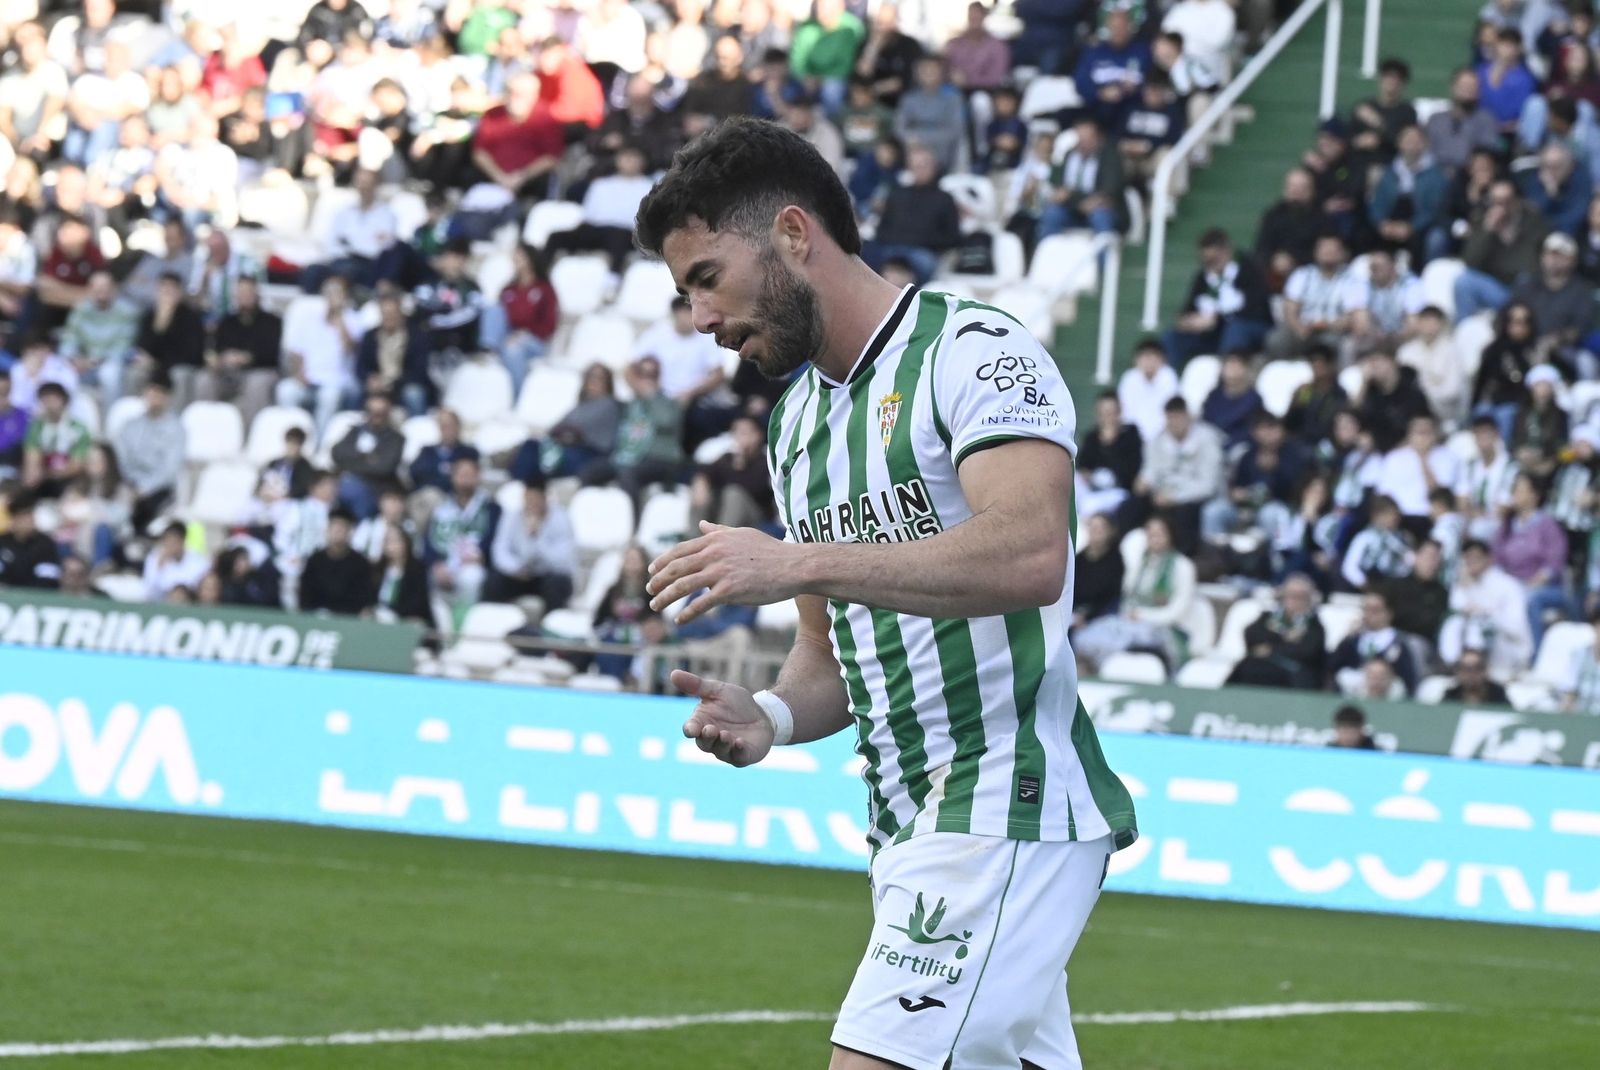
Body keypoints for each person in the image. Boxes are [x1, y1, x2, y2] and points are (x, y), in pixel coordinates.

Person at [632, 116, 1136, 1070]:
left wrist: (796, 561)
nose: (701, 319)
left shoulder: (975, 352)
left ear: (791, 234)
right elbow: (830, 659)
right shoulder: (794, 428)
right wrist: (772, 715)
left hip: (1003, 795)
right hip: (905, 819)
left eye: (705, 279)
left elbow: (1032, 556)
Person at [1073, 513, 1197, 671]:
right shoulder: (1139, 562)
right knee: (1088, 636)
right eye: (1151, 533)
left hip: (1164, 626)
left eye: (1160, 533)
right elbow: (1127, 597)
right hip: (1131, 620)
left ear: (1171, 535)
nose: (1155, 538)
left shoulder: (1182, 566)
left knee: (1122, 642)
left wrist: (1143, 616)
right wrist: (1130, 615)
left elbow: (1178, 611)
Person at [1163, 229, 1272, 368]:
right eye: (1206, 261)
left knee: (1235, 329)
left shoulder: (1249, 269)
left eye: (1214, 259)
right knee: (1171, 337)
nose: (1210, 264)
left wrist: (1216, 320)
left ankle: (1227, 379)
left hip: (1250, 328)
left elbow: (1255, 309)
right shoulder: (1203, 277)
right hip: (1212, 333)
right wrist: (1187, 321)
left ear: (1227, 252)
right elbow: (1188, 308)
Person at [1133, 396, 1225, 555]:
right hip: (1162, 495)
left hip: (1194, 499)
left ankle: (1184, 557)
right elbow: (1151, 469)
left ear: (1187, 416)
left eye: (1178, 417)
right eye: (1170, 418)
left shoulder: (1207, 439)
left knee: (1184, 514)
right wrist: (1144, 481)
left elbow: (1208, 485)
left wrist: (1175, 497)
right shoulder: (1158, 440)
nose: (1174, 423)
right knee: (1132, 505)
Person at [860, 144, 961, 284]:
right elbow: (882, 228)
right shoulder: (896, 193)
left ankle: (896, 289)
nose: (920, 170)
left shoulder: (944, 199)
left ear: (934, 166)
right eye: (916, 166)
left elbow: (952, 237)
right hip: (891, 249)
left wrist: (922, 239)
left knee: (911, 266)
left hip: (922, 252)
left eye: (924, 165)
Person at [1494, 470, 1572, 646]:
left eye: (1521, 490)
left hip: (1544, 587)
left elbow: (1555, 562)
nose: (1515, 494)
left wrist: (1531, 584)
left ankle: (1535, 656)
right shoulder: (1506, 525)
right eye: (1515, 489)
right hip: (1511, 586)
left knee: (1530, 600)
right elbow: (1497, 558)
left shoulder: (1548, 525)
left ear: (1535, 495)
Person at [1440, 538, 1533, 681]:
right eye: (1467, 558)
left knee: (1479, 626)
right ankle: (1455, 668)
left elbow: (1517, 628)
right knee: (1454, 623)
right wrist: (1464, 587)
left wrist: (1488, 614)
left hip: (1508, 648)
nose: (1471, 562)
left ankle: (1475, 672)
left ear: (1488, 559)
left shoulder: (1508, 585)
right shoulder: (1464, 583)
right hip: (1470, 647)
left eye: (1476, 557)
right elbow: (1457, 609)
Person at [197, 274, 281, 429]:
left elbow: (273, 355)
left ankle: (250, 435)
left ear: (256, 294)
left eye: (248, 292)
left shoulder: (272, 322)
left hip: (259, 371)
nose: (245, 296)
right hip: (228, 372)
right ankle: (206, 430)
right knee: (205, 380)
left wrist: (247, 358)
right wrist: (218, 360)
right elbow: (216, 350)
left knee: (256, 385)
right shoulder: (227, 321)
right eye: (241, 292)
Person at [424, 454, 500, 611]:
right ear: (453, 477)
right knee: (427, 576)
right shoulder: (442, 508)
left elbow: (495, 539)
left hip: (474, 563)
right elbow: (429, 540)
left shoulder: (491, 508)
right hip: (445, 562)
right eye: (461, 475)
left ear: (478, 477)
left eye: (470, 475)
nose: (465, 479)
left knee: (471, 577)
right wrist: (436, 563)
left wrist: (481, 556)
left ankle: (466, 625)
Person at [485, 482, 577, 608]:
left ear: (545, 498)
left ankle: (549, 624)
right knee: (494, 581)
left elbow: (563, 561)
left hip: (547, 575)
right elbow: (500, 550)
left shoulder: (561, 518)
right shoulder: (513, 516)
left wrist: (536, 538)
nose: (532, 504)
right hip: (519, 575)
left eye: (536, 499)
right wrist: (516, 568)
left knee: (558, 583)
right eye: (529, 499)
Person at [1229, 574, 1328, 690]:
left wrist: (1270, 649)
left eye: (1301, 596)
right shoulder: (1268, 617)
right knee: (1246, 666)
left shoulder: (1314, 625)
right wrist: (1286, 639)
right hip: (1261, 666)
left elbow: (1307, 652)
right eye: (1291, 595)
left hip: (1294, 675)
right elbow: (1251, 635)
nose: (1294, 600)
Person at [1266, 233, 1356, 360]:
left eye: (1333, 250)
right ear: (1316, 252)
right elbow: (1290, 310)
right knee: (1277, 340)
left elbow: (1353, 316)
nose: (1328, 253)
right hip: (1302, 328)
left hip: (1334, 330)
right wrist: (1299, 328)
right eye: (1324, 249)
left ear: (1342, 253)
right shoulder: (1302, 275)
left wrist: (1328, 325)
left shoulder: (1352, 279)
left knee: (1331, 343)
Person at [114, 373, 185, 534]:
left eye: (160, 393)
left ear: (168, 397)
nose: (154, 398)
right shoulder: (130, 425)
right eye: (151, 392)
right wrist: (131, 484)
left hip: (158, 488)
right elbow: (121, 459)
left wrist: (144, 488)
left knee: (145, 509)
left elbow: (169, 470)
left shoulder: (176, 430)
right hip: (129, 484)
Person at [1037, 117, 1125, 241]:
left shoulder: (1110, 157)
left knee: (1100, 217)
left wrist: (1090, 201)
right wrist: (1062, 196)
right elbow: (1057, 186)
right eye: (1081, 138)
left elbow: (1111, 190)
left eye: (1088, 139)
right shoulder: (1067, 155)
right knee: (1052, 213)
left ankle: (1103, 259)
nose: (1084, 143)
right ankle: (1048, 256)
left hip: (1100, 209)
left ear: (1097, 138)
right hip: (1071, 208)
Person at [355, 289, 432, 417]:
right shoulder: (370, 336)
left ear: (400, 312)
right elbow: (360, 366)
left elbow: (419, 371)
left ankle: (418, 429)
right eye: (385, 313)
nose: (388, 317)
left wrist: (390, 382)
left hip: (403, 385)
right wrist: (370, 379)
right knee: (355, 392)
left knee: (414, 394)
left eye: (392, 313)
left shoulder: (417, 336)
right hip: (376, 387)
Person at [1328, 590, 1420, 696]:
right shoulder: (1354, 639)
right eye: (1367, 610)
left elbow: (1409, 677)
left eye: (1375, 610)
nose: (1370, 615)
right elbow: (1333, 666)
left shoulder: (1398, 642)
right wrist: (1347, 637)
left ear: (1388, 613)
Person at [331, 390, 404, 520]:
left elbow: (384, 467)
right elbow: (336, 453)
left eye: (380, 413)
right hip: (346, 484)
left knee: (350, 487)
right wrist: (366, 457)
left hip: (376, 491)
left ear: (387, 414)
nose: (376, 416)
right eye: (372, 412)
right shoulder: (355, 431)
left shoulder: (395, 438)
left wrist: (350, 463)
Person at [1398, 306, 1466, 428]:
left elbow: (1452, 390)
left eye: (1433, 321)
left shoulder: (1452, 350)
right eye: (1425, 320)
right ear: (1418, 323)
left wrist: (1426, 391)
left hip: (1448, 416)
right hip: (1414, 415)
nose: (1429, 325)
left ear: (1441, 324)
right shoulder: (1406, 352)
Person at [300, 507, 375, 615]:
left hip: (349, 619)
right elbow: (305, 596)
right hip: (317, 617)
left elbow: (364, 598)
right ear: (327, 529)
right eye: (335, 527)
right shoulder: (315, 560)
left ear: (350, 532)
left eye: (343, 527)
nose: (338, 531)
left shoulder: (360, 563)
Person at [21, 381, 90, 497]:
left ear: (64, 401)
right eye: (45, 401)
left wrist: (50, 473)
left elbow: (77, 465)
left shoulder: (78, 429)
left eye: (54, 401)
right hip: (42, 482)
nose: (50, 406)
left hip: (70, 481)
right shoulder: (36, 428)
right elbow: (32, 458)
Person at [1116, 337, 1179, 443]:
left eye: (1153, 357)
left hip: (1163, 438)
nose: (1149, 362)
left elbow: (1173, 411)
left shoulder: (1168, 376)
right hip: (1134, 438)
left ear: (1162, 360)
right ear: (1136, 360)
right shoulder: (1129, 378)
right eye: (1145, 357)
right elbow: (1124, 414)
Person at [1072, 513, 1125, 628]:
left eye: (1101, 527)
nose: (1096, 531)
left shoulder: (1116, 561)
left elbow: (1111, 596)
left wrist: (1088, 617)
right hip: (1074, 611)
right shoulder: (1079, 559)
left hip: (1102, 614)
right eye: (1093, 527)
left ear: (1111, 531)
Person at [0, 492, 60, 588]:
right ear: (14, 519)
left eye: (31, 515)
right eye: (24, 516)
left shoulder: (45, 544)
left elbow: (48, 579)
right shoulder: (3, 542)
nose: (30, 520)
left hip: (35, 598)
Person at [372, 526, 430, 625]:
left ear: (405, 542)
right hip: (378, 617)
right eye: (387, 541)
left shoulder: (417, 570)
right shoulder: (378, 569)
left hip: (406, 618)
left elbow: (418, 601)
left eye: (395, 541)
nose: (391, 546)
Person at [142, 520, 209, 602]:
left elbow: (197, 585)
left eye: (174, 541)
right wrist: (159, 566)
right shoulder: (154, 558)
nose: (169, 545)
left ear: (182, 541)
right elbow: (148, 589)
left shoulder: (198, 560)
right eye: (166, 540)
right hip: (161, 603)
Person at [1443, 647, 1512, 706]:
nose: (1471, 674)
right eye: (1466, 669)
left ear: (1485, 671)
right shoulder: (1450, 697)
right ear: (1459, 672)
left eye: (1477, 668)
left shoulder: (1498, 696)